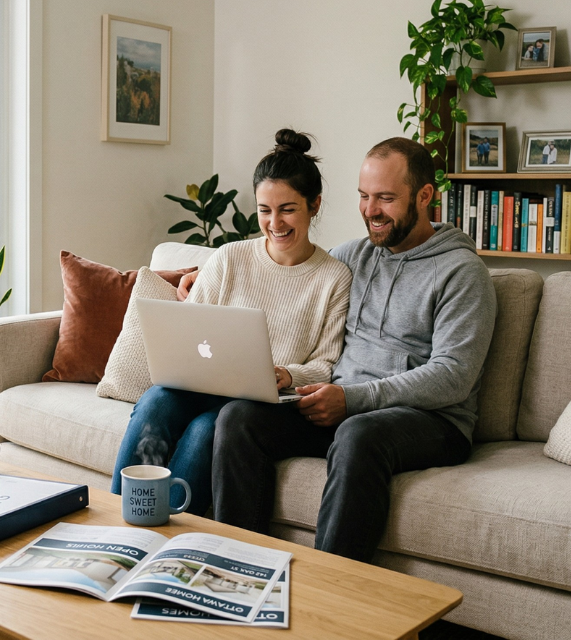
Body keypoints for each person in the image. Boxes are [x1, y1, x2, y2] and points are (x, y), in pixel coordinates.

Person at [179, 137, 496, 563]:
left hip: (431, 421)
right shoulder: (353, 257)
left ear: (424, 196)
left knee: (358, 433)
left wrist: (352, 400)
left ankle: (332, 591)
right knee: (239, 417)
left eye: (386, 198)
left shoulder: (463, 273)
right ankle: (240, 567)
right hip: (341, 406)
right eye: (364, 197)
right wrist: (193, 277)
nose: (370, 211)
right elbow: (292, 265)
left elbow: (454, 375)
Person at [110, 129, 353, 516]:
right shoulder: (229, 257)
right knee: (156, 400)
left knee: (210, 428)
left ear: (315, 205)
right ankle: (119, 515)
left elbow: (326, 365)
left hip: (260, 404)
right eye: (264, 210)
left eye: (288, 208)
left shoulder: (334, 278)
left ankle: (170, 526)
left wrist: (288, 375)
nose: (275, 223)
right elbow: (188, 329)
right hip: (204, 384)